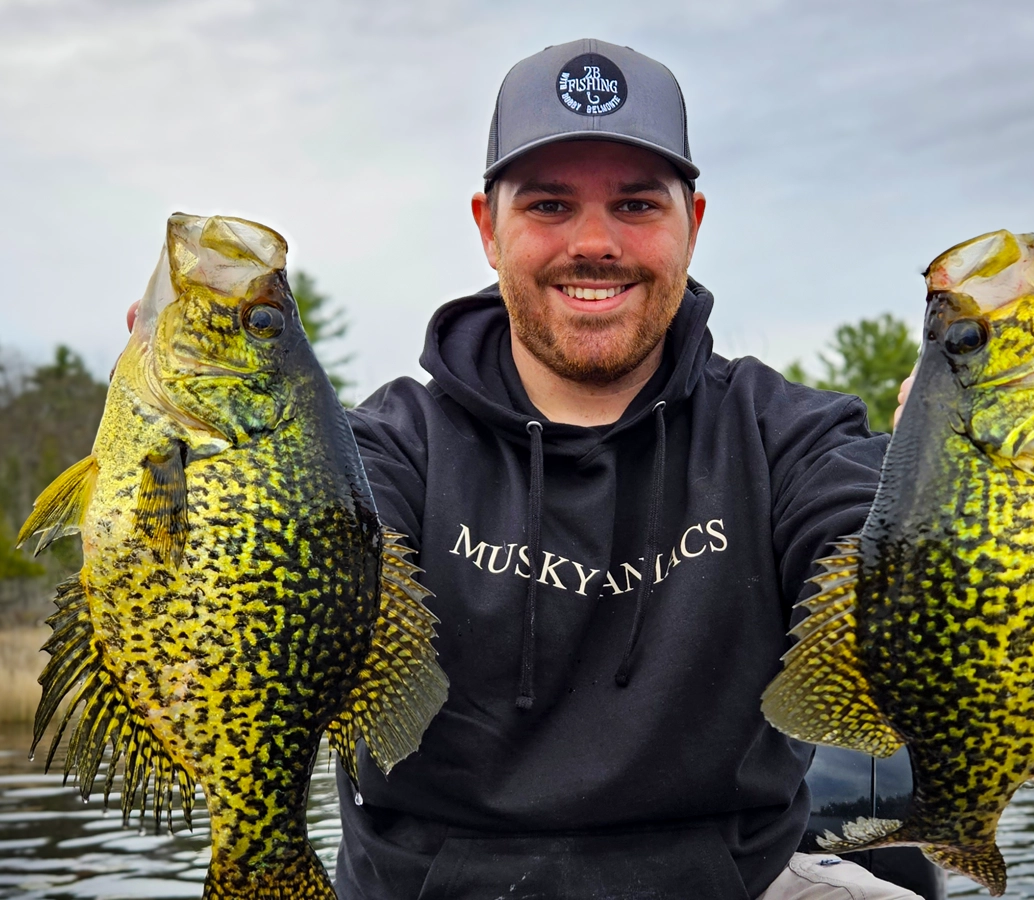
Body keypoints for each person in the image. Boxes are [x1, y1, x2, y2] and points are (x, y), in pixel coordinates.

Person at [128, 38, 922, 900]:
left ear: (692, 225)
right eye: (547, 204)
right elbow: (275, 566)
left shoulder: (786, 434)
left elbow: (871, 560)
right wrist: (173, 469)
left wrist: (941, 492)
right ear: (486, 228)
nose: (593, 242)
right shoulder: (386, 447)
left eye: (635, 205)